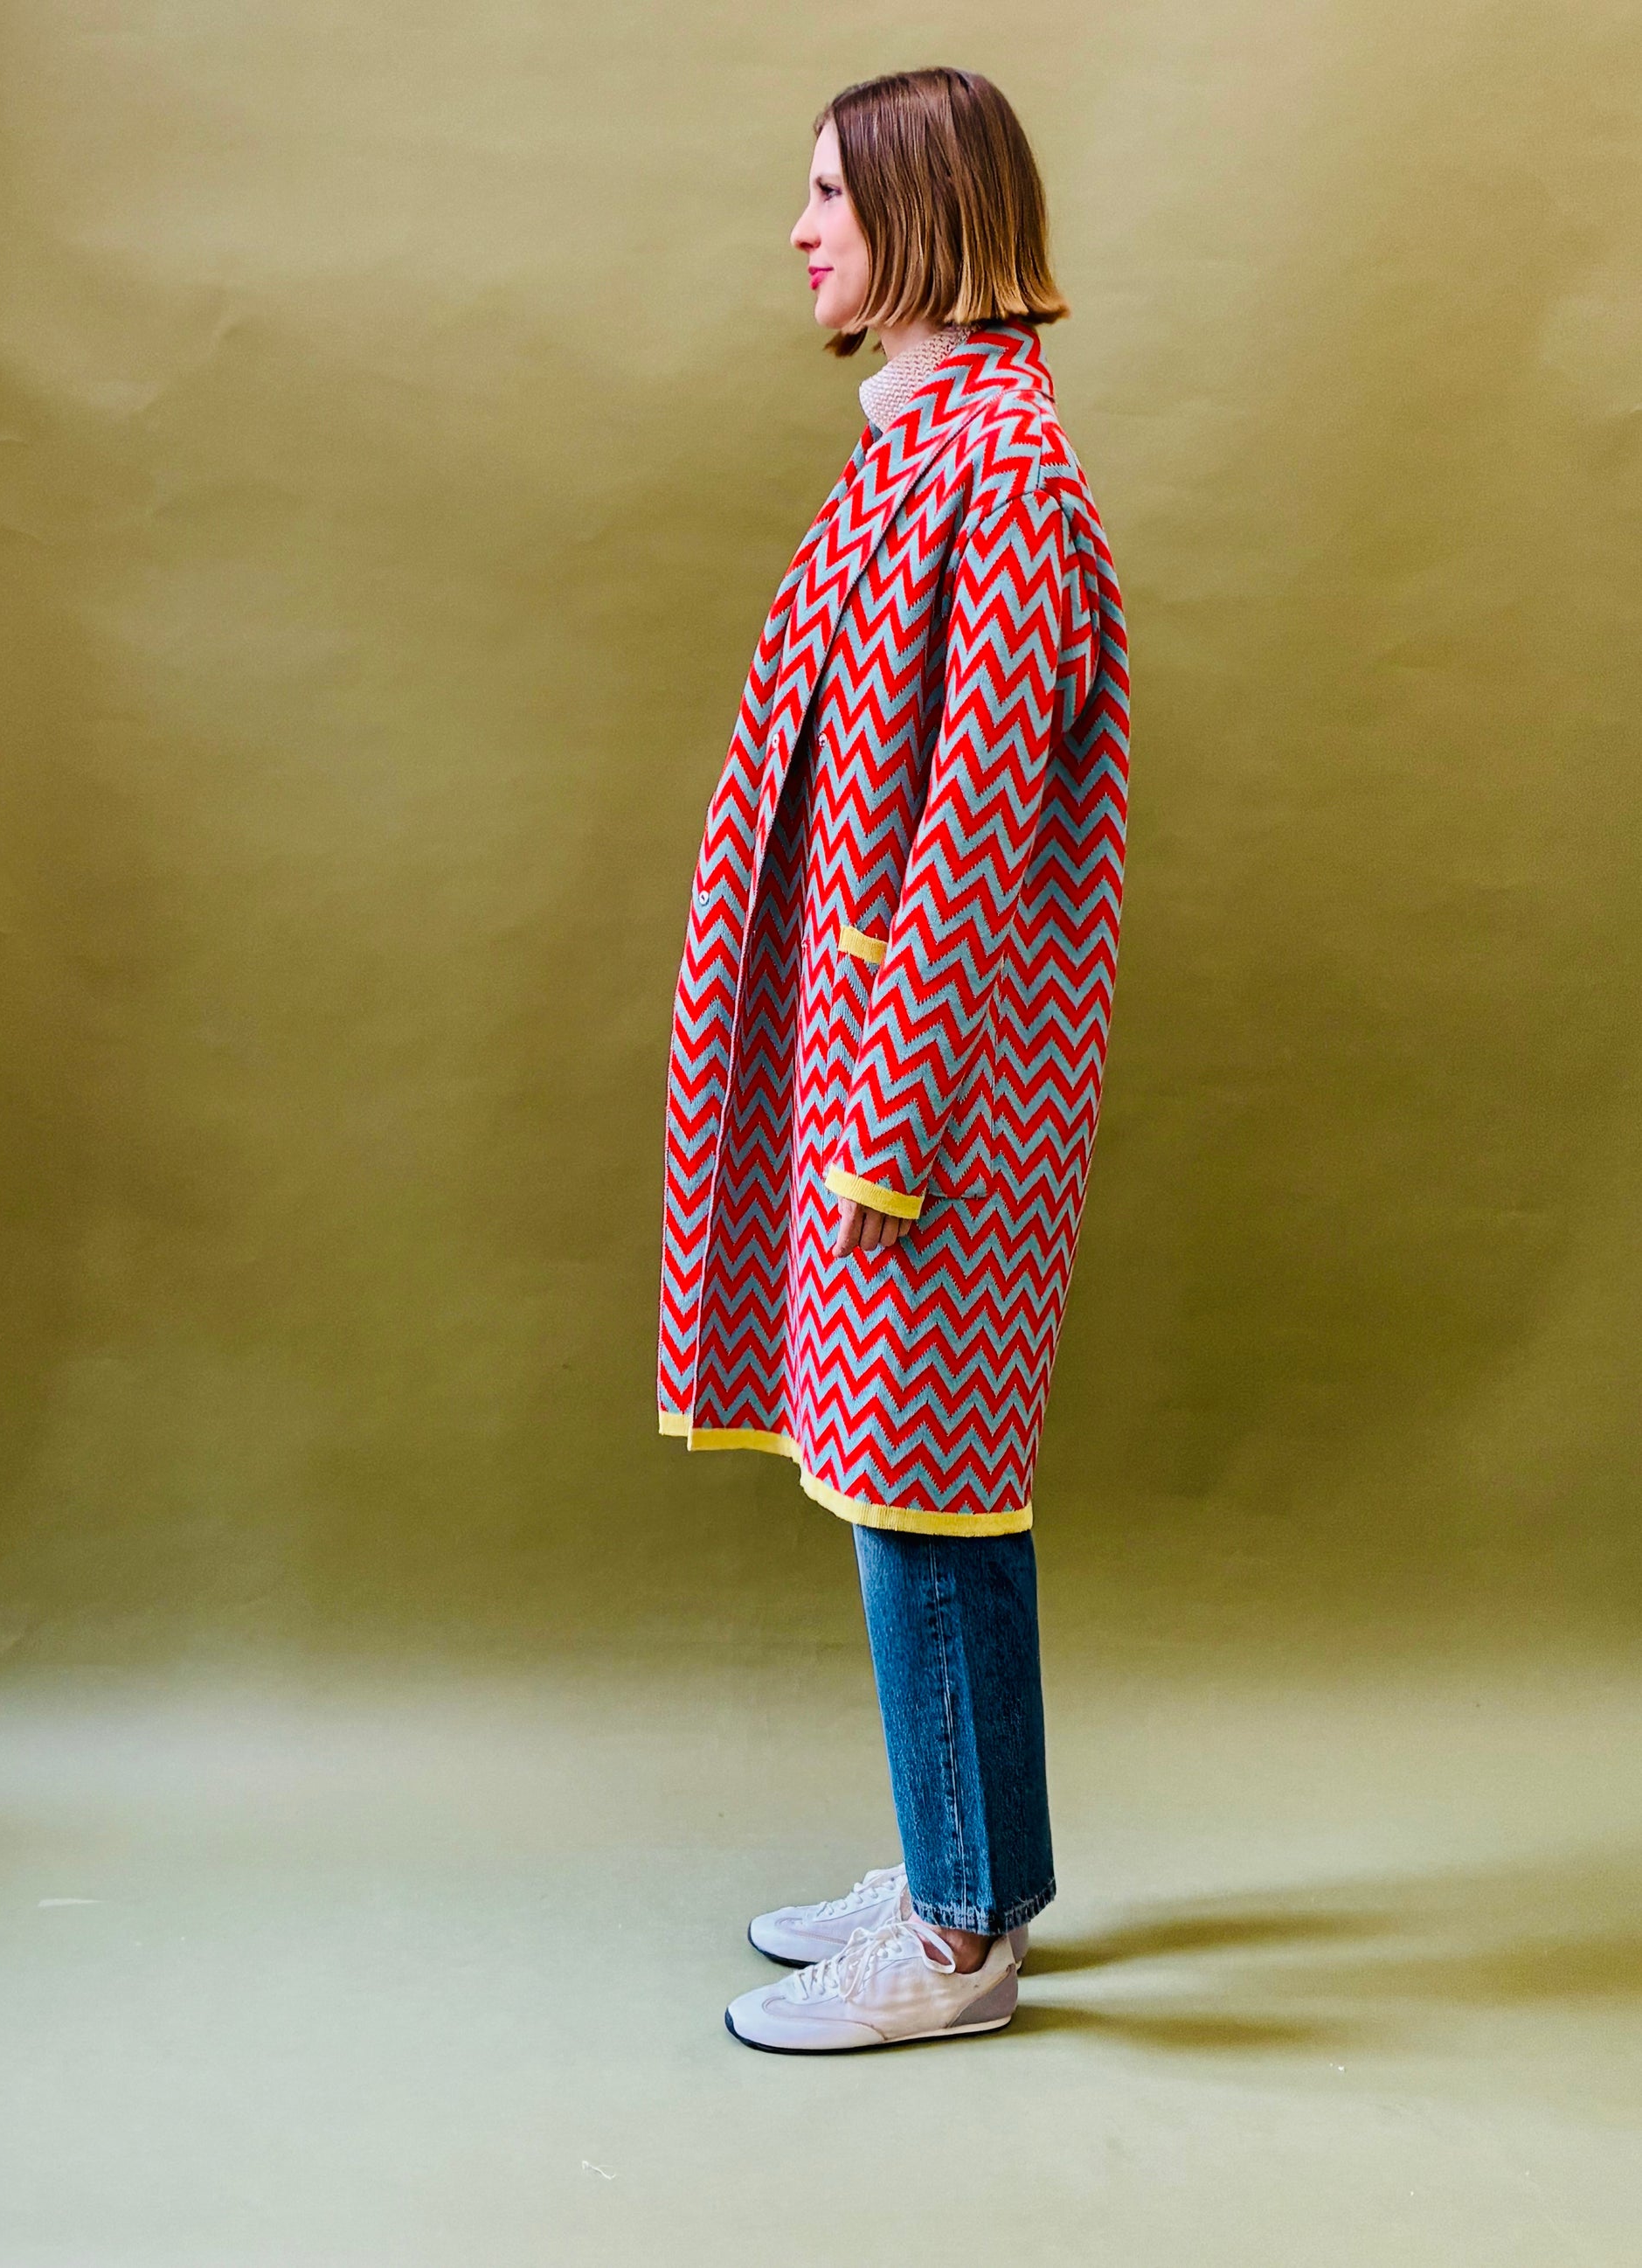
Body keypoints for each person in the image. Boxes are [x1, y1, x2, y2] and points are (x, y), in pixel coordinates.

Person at [655, 66, 1130, 2052]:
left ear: (925, 216)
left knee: (925, 1495)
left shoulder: (999, 479)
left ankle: (954, 1947)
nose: (799, 231)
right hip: (884, 1078)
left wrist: (888, 1122)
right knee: (913, 1485)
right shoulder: (924, 454)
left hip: (927, 1100)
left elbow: (974, 834)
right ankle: (975, 1866)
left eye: (831, 197)